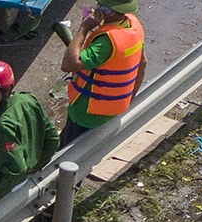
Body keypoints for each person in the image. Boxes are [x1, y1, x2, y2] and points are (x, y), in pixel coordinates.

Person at [0, 60, 58, 216]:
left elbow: (16, 171)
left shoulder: (4, 126)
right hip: (24, 179)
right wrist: (38, 165)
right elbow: (52, 139)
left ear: (7, 89)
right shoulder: (28, 100)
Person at [60, 0, 146, 146]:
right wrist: (129, 98)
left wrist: (84, 28)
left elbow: (69, 64)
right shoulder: (133, 25)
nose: (95, 7)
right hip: (113, 108)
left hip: (86, 112)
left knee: (67, 148)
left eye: (99, 5)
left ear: (110, 11)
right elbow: (143, 63)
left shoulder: (106, 42)